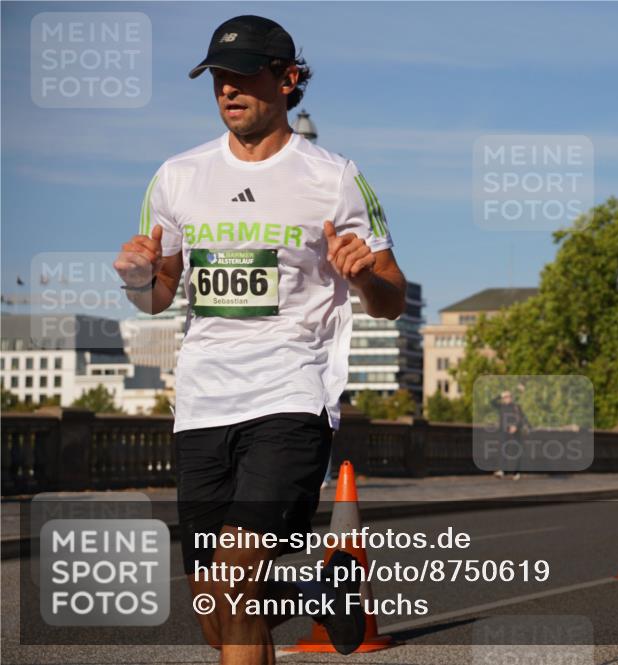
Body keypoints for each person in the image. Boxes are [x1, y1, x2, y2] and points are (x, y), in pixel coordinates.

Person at [113, 15, 407, 663]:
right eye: (218, 76)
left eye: (244, 74)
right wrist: (139, 280)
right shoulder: (177, 177)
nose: (228, 88)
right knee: (214, 610)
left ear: (288, 79)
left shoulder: (334, 177)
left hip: (290, 397)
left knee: (234, 582)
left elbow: (393, 300)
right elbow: (160, 294)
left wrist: (364, 277)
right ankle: (316, 591)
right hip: (201, 405)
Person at [491, 384, 530, 480]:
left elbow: (521, 418)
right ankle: (501, 471)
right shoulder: (501, 406)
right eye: (505, 397)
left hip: (515, 433)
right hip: (504, 432)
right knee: (502, 451)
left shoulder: (516, 407)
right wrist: (500, 395)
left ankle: (516, 472)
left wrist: (516, 426)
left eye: (508, 397)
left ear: (511, 398)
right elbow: (492, 402)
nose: (507, 399)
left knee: (515, 451)